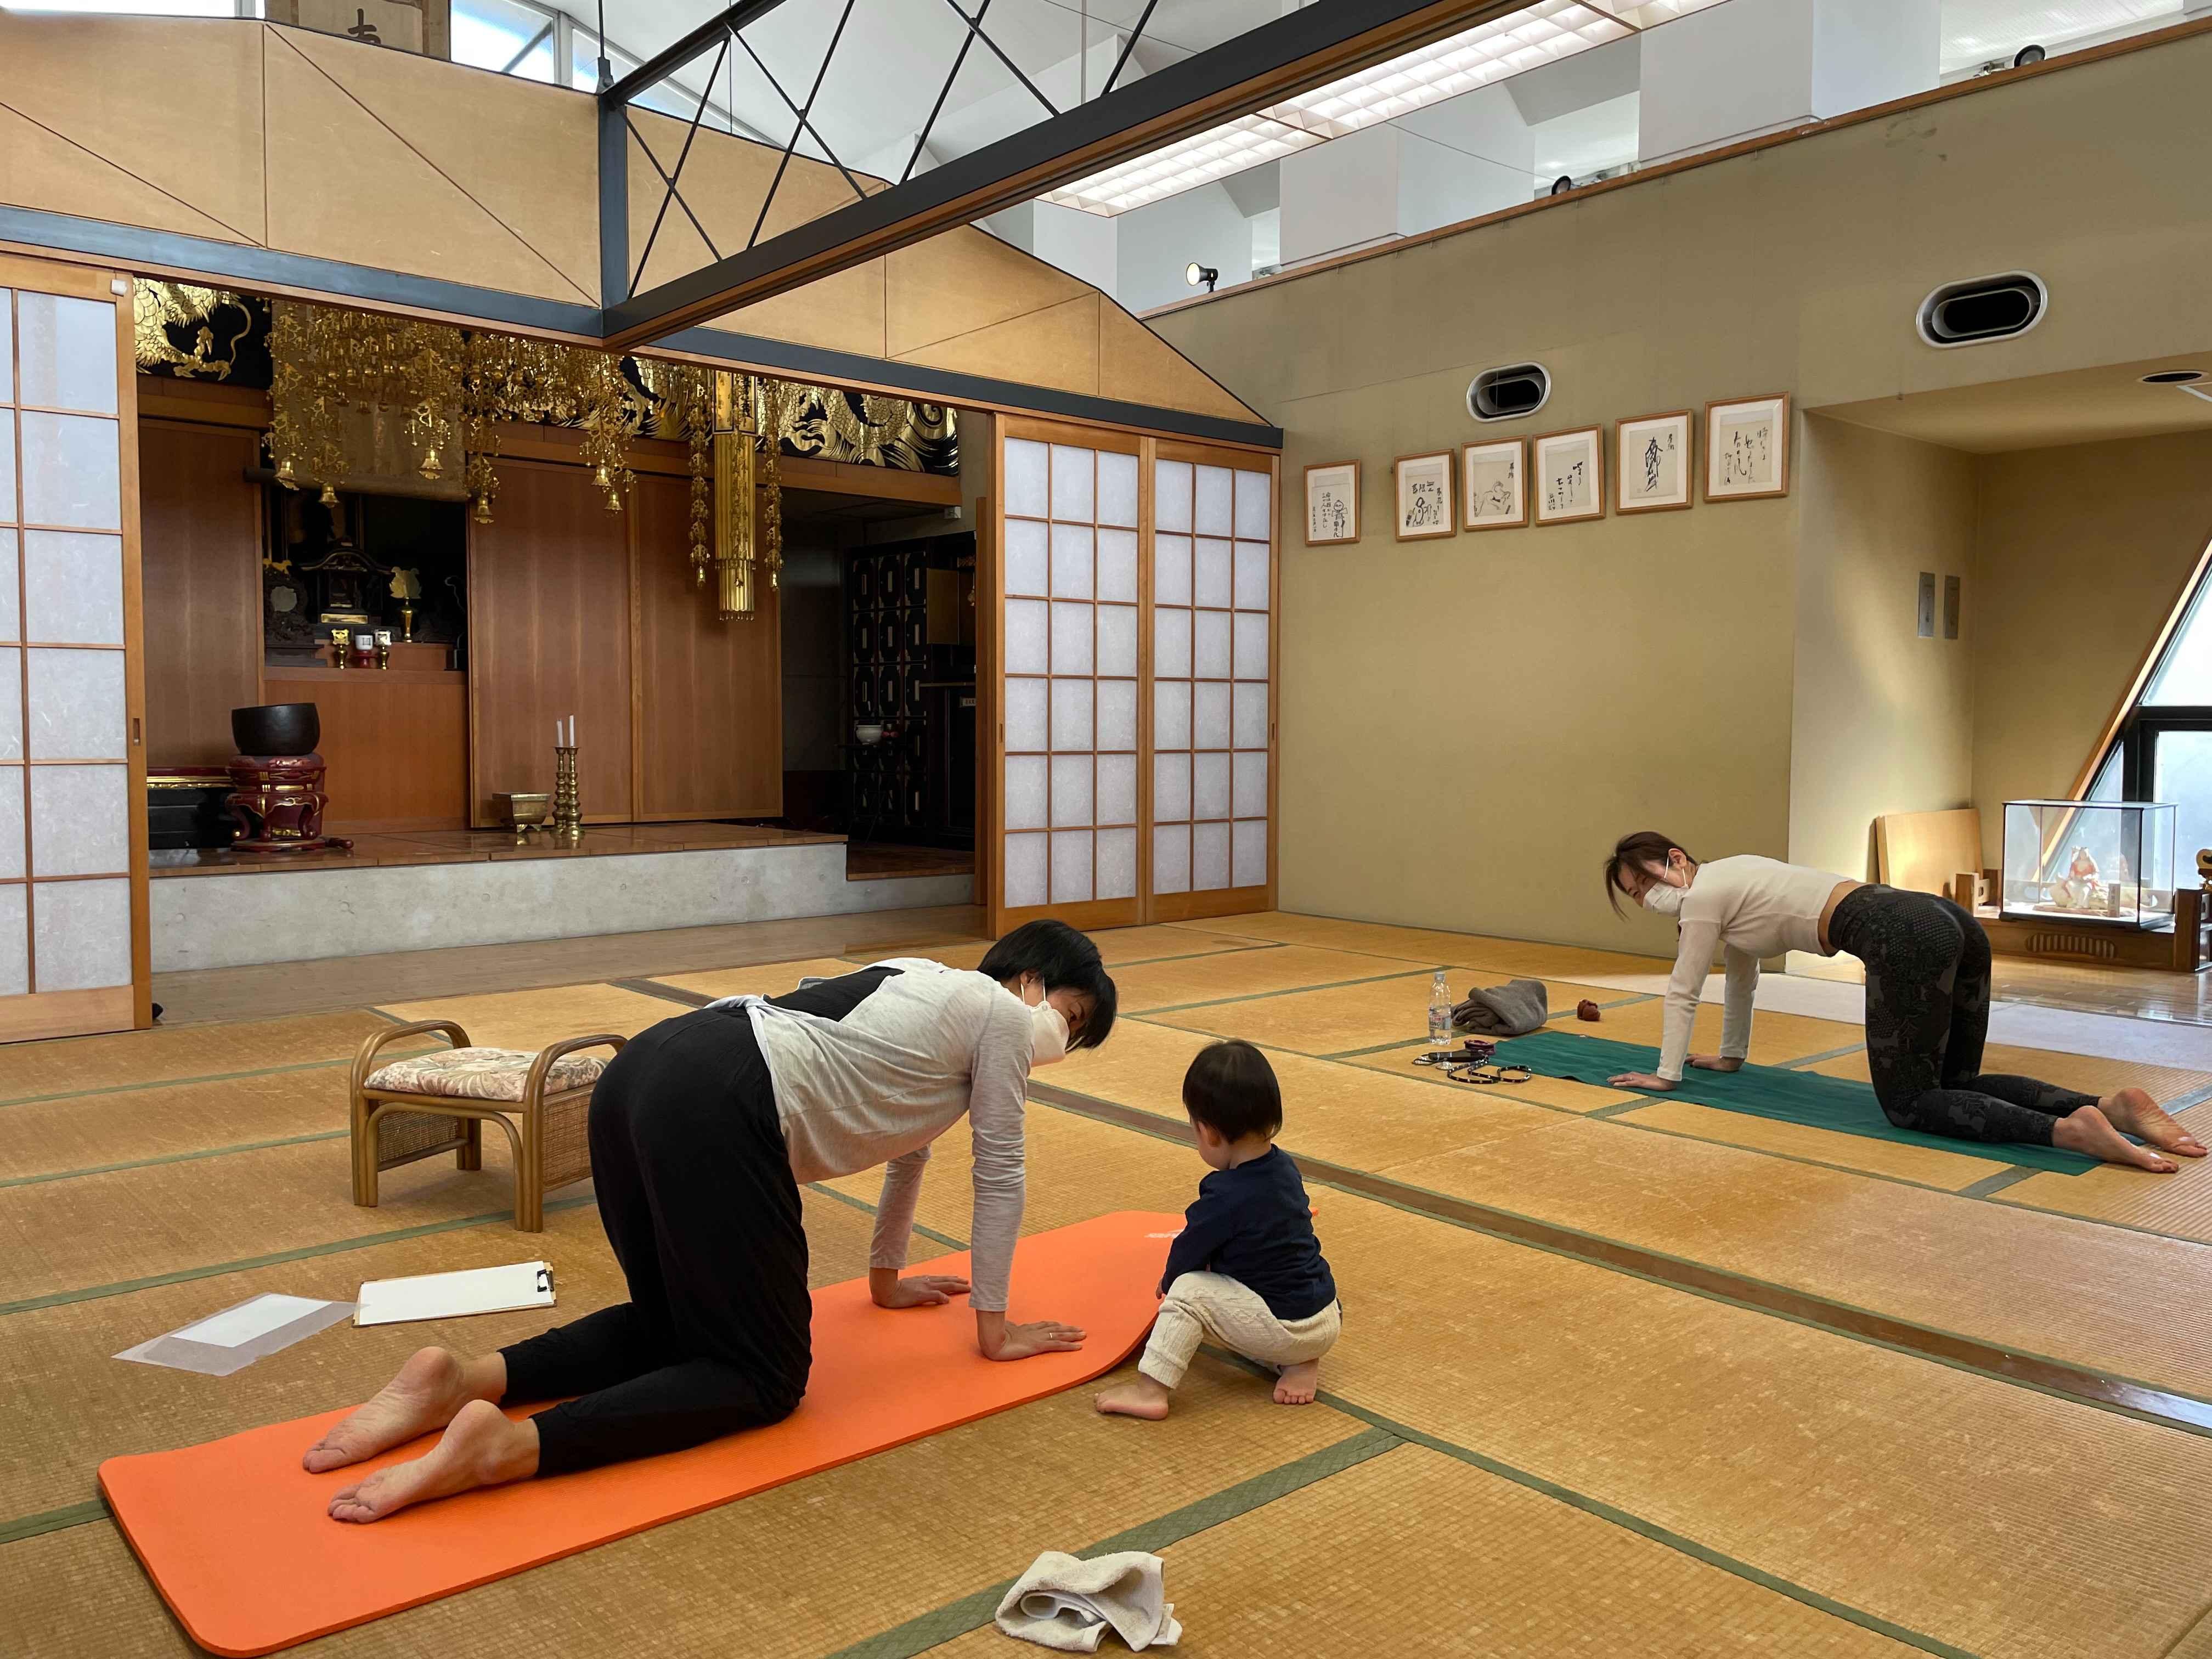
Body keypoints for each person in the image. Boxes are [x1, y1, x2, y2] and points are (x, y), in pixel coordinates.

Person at [303, 921, 1119, 1522]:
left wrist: (885, 1281)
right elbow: (1001, 1170)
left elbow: (911, 1149)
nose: (1063, 1039)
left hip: (647, 1070)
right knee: (765, 1377)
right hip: (722, 1099)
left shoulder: (917, 979)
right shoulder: (1004, 1015)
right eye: (1073, 1019)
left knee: (679, 1328)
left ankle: (465, 1382)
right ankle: (510, 1447)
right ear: (1032, 982)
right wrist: (995, 1328)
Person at [1601, 831, 2204, 1171]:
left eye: (1650, 881)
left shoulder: (1705, 896)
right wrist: (1731, 1056)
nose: (1649, 896)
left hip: (1906, 935)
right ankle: (2110, 1105)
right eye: (1637, 895)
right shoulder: (1734, 872)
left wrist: (1665, 1075)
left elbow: (1684, 988)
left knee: (1912, 1104)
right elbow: (1739, 977)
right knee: (1955, 1081)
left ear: (1677, 859)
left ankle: (2069, 1131)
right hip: (1947, 921)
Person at [1096, 1040, 1339, 1420]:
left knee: (1190, 1290)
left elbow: (1191, 1246)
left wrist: (1172, 1278)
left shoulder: (1223, 1193)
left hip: (1285, 1328)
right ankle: (1302, 1362)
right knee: (1287, 1263)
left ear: (1208, 1133)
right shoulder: (1286, 1168)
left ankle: (1151, 1390)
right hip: (1326, 1318)